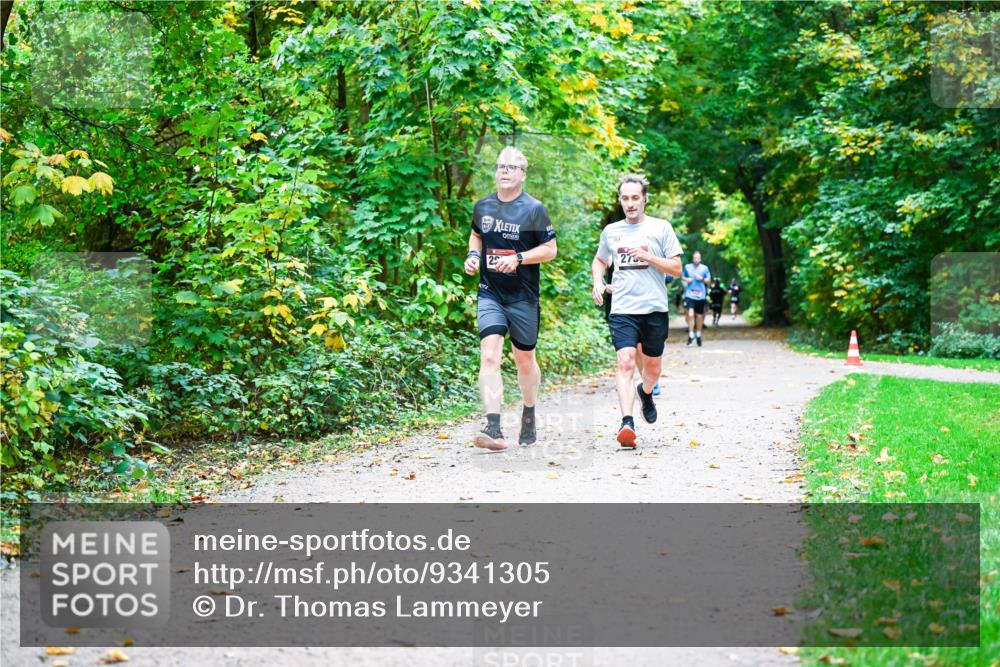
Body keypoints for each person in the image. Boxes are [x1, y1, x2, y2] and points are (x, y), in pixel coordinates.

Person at [464, 146, 557, 451]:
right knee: (489, 356)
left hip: (523, 297)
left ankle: (529, 413)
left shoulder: (534, 209)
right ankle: (493, 427)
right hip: (490, 292)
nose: (504, 171)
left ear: (522, 174)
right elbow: (476, 235)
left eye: (511, 167)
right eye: (500, 166)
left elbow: (550, 250)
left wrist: (518, 258)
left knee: (525, 360)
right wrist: (473, 256)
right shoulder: (483, 206)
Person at [591, 174, 682, 448]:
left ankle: (646, 391)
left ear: (644, 199)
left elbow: (676, 268)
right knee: (625, 361)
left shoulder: (661, 228)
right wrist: (598, 282)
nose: (630, 203)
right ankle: (627, 422)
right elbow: (600, 260)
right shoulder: (611, 231)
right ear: (620, 200)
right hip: (622, 308)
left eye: (634, 198)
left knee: (652, 368)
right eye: (625, 198)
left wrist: (649, 257)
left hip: (654, 308)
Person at [681, 251, 711, 346]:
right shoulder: (687, 267)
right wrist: (687, 279)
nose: (696, 260)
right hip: (690, 295)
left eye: (698, 258)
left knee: (699, 316)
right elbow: (682, 276)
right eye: (695, 258)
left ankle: (698, 334)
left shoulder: (705, 268)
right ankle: (691, 334)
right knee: (690, 314)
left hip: (701, 296)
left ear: (700, 259)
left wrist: (702, 279)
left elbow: (708, 281)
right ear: (692, 259)